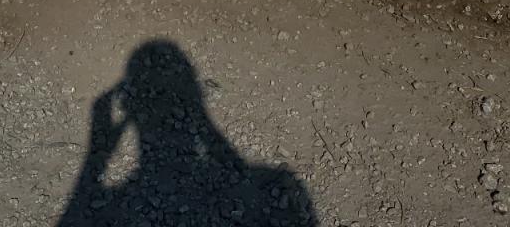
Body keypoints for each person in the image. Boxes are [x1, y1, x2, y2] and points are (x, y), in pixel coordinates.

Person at [57, 40, 316, 226]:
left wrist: (97, 156)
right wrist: (199, 115)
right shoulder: (280, 183)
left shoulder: (119, 193)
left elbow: (77, 209)